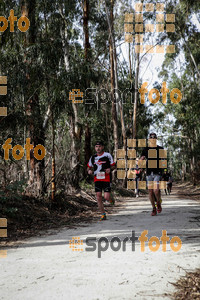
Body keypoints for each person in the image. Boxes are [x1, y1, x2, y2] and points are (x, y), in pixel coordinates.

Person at [87, 141, 116, 221]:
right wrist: (89, 171)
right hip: (97, 179)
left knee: (106, 197)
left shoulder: (107, 155)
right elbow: (89, 167)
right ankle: (103, 214)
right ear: (95, 148)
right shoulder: (93, 157)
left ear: (102, 147)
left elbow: (114, 166)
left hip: (106, 178)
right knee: (98, 196)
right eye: (96, 146)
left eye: (99, 146)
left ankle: (111, 199)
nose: (98, 148)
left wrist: (110, 169)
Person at [140, 132, 164, 216]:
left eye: (154, 137)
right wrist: (140, 162)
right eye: (151, 137)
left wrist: (163, 173)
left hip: (157, 172)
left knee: (156, 190)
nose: (153, 139)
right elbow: (142, 158)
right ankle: (154, 208)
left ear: (156, 139)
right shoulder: (145, 149)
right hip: (149, 173)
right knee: (150, 192)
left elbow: (163, 161)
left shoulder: (160, 149)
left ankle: (158, 203)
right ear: (149, 139)